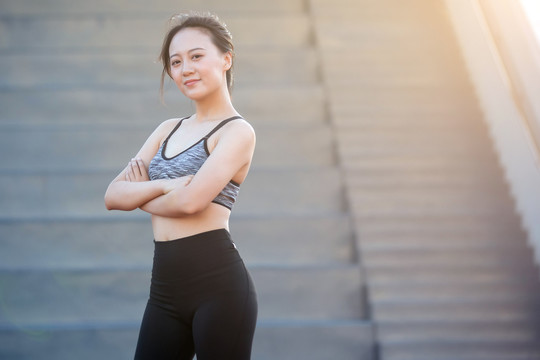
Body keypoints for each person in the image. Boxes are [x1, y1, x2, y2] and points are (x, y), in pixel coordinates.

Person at [104, 12, 257, 360]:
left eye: (197, 56)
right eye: (176, 61)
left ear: (226, 59)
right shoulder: (166, 130)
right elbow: (112, 196)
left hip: (220, 288)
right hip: (164, 292)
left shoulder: (237, 132)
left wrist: (141, 195)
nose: (185, 68)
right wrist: (170, 185)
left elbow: (191, 203)